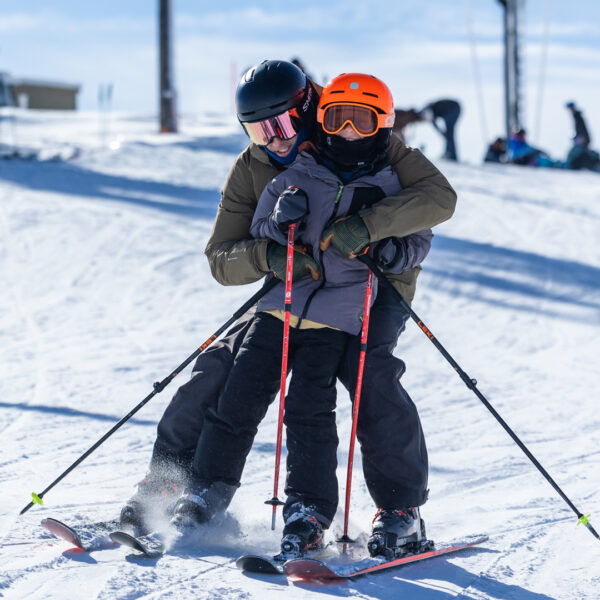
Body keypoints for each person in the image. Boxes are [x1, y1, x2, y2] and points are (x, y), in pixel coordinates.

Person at [120, 60, 457, 557]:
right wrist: (270, 255)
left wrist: (370, 230)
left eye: (281, 124)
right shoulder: (253, 165)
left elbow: (437, 197)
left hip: (373, 284)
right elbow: (221, 257)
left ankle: (399, 509)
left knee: (370, 374)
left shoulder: (355, 128)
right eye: (257, 129)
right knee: (220, 366)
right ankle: (171, 483)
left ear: (309, 107)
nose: (272, 138)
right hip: (288, 287)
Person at [393, 99, 461, 161]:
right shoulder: (430, 111)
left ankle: (452, 156)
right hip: (454, 108)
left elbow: (431, 120)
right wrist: (441, 132)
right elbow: (433, 122)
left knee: (449, 133)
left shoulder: (426, 112)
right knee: (449, 133)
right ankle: (450, 154)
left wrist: (442, 132)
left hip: (453, 109)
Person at [564, 102, 600, 171]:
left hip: (583, 141)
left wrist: (583, 139)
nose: (569, 110)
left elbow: (582, 129)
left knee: (573, 154)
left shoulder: (578, 117)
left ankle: (569, 165)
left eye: (570, 108)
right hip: (582, 140)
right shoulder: (576, 116)